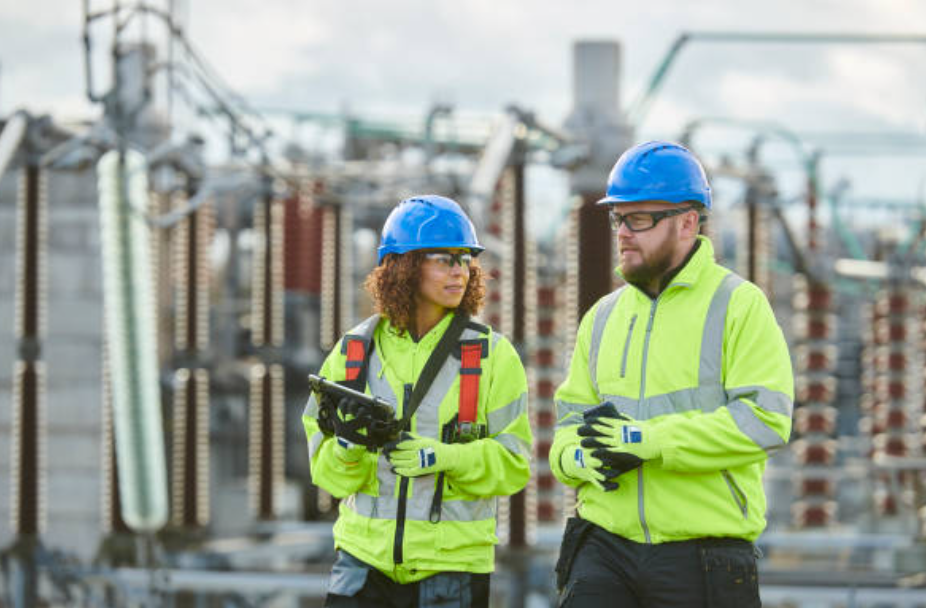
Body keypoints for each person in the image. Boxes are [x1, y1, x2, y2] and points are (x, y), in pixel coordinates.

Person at [550, 141, 794, 607]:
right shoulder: (601, 317)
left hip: (702, 555)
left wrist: (649, 442)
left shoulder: (739, 306)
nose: (623, 232)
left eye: (639, 218)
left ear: (688, 221)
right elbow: (564, 433)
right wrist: (582, 461)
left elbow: (765, 420)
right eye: (618, 217)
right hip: (603, 545)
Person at [303, 194, 532, 608]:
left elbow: (515, 466)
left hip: (452, 570)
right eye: (443, 259)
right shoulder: (352, 352)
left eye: (465, 260)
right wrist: (348, 447)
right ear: (404, 267)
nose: (459, 271)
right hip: (360, 565)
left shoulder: (492, 355)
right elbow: (328, 477)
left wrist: (444, 457)